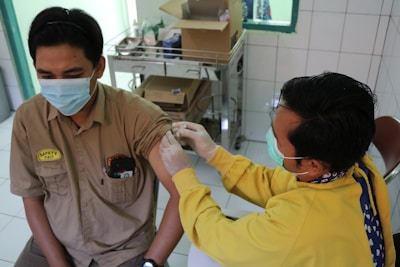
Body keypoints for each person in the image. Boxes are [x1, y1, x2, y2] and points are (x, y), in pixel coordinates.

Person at [159, 72, 397, 267]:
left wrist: (183, 175)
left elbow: (216, 237)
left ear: (312, 164)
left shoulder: (297, 228)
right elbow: (273, 183)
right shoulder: (355, 166)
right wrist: (213, 153)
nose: (270, 137)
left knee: (203, 259)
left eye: (278, 138)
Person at [10, 6, 183, 267]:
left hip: (125, 251)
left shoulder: (139, 117)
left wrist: (151, 263)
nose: (59, 86)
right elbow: (32, 198)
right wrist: (58, 262)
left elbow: (184, 193)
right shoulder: (28, 120)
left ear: (99, 67)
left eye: (72, 75)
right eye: (46, 76)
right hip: (58, 243)